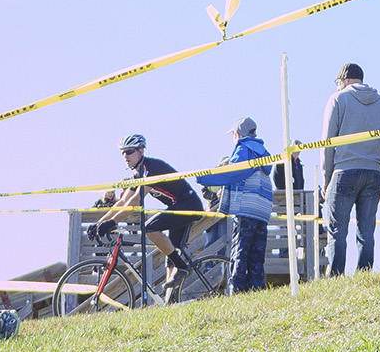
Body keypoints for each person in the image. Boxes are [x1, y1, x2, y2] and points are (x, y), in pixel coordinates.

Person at [92, 134, 207, 295]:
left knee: (149, 228)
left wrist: (112, 222)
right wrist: (100, 222)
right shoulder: (137, 174)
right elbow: (122, 202)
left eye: (129, 151)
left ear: (141, 150)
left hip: (189, 205)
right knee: (171, 254)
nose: (125, 156)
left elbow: (135, 201)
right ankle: (171, 299)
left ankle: (182, 267)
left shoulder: (151, 169)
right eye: (123, 152)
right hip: (177, 206)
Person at [319, 63, 380, 276]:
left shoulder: (337, 99)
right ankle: (364, 275)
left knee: (337, 231)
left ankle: (336, 278)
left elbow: (327, 143)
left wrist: (326, 178)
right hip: (373, 173)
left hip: (343, 172)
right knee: (366, 231)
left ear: (344, 80)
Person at [196, 117, 275, 294]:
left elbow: (233, 173)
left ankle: (236, 292)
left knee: (240, 251)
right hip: (262, 210)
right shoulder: (263, 152)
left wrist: (205, 177)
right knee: (256, 255)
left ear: (237, 134)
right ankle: (256, 291)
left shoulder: (244, 148)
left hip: (246, 208)